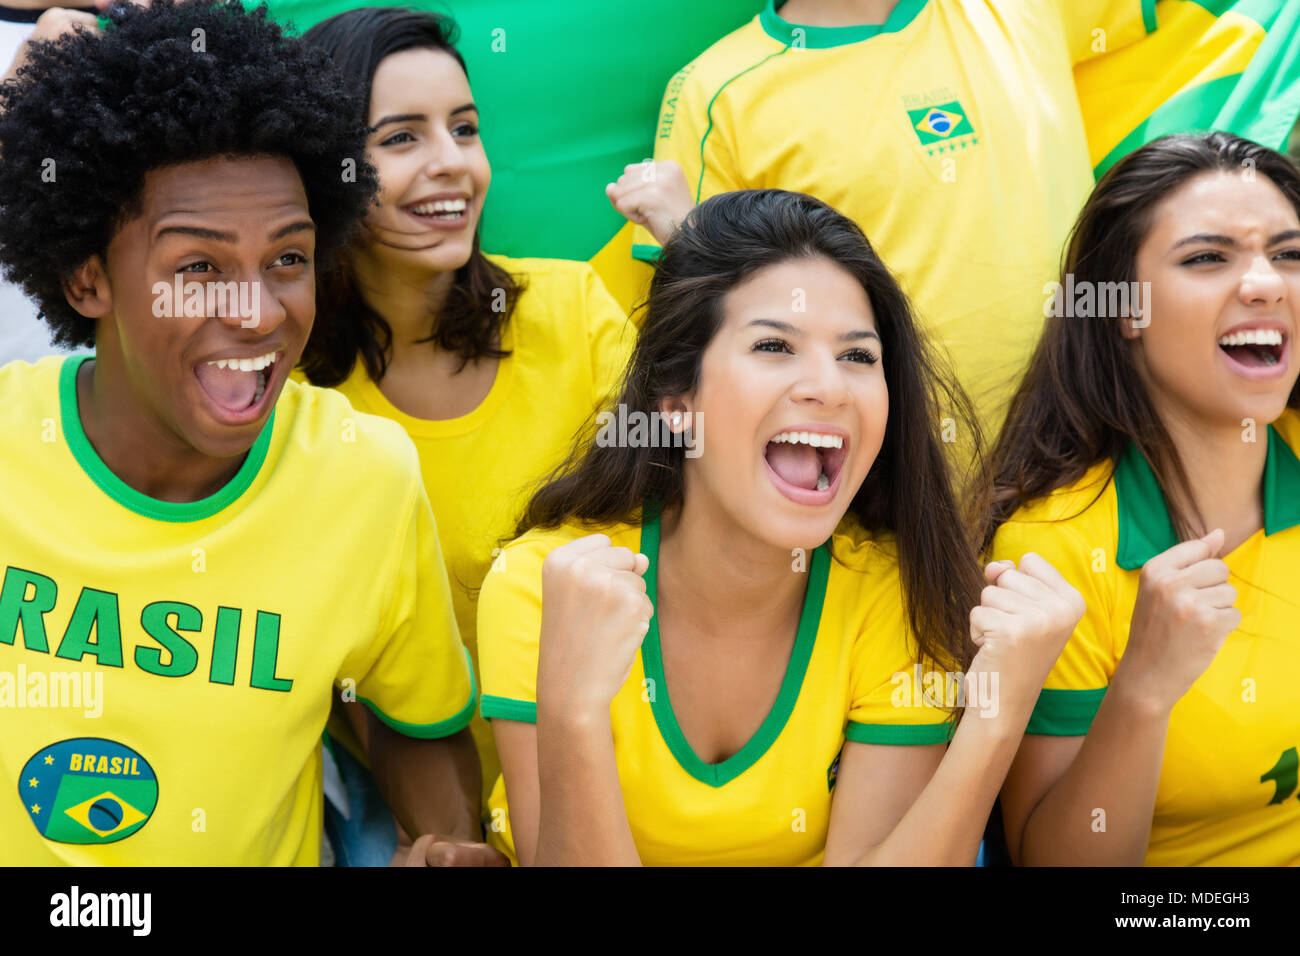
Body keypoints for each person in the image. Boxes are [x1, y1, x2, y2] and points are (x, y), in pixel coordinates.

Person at [0, 0, 493, 866]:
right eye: (198, 267)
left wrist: (448, 841)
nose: (258, 312)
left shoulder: (361, 478)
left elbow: (417, 727)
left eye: (288, 260)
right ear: (87, 279)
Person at [477, 188, 1086, 865]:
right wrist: (572, 712)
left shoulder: (890, 592)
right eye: (774, 345)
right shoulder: (542, 586)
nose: (828, 386)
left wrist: (998, 714)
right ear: (676, 404)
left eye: (858, 356)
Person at [608, 0, 1300, 439]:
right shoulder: (716, 90)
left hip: (1096, 455)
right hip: (890, 491)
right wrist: (685, 234)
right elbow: (700, 328)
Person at [297, 6, 637, 824]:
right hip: (410, 811)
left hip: (620, 792)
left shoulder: (574, 313)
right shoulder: (297, 399)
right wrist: (443, 834)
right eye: (402, 138)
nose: (453, 164)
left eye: (465, 129)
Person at [985, 132, 1300, 865]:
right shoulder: (1052, 551)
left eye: (1289, 254)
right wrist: (1144, 689)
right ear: (1123, 310)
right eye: (1206, 258)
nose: (1267, 284)